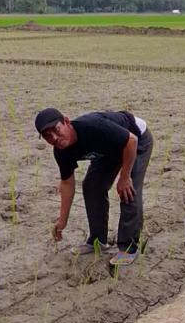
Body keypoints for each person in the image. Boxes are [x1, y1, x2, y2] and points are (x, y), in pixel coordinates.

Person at [34, 108, 153, 266]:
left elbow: (131, 141)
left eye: (56, 130)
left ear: (66, 122)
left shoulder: (93, 126)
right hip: (108, 150)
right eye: (48, 136)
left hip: (136, 139)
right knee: (91, 186)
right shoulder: (61, 152)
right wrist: (62, 222)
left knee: (128, 190)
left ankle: (128, 247)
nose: (54, 138)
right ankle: (98, 241)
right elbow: (67, 184)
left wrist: (124, 177)